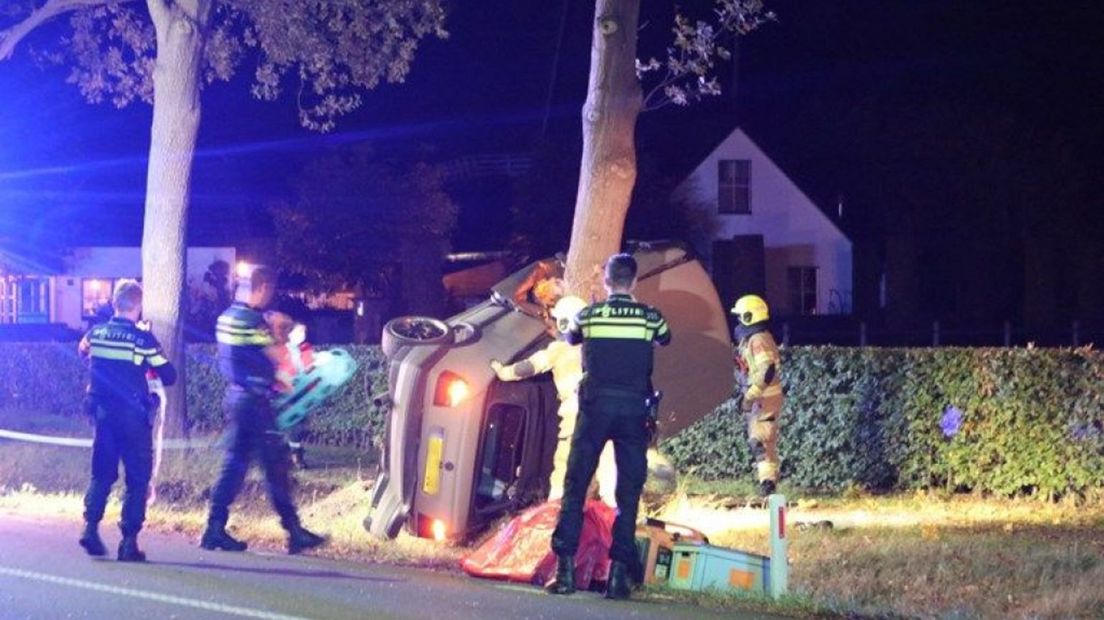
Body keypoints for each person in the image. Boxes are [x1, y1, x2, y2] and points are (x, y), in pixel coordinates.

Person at [546, 253, 671, 600]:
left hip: (595, 408)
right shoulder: (650, 317)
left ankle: (565, 573)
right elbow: (665, 338)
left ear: (606, 281)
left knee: (576, 485)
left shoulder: (589, 315)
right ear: (634, 281)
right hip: (633, 410)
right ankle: (618, 578)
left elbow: (571, 339)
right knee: (628, 493)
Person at [200, 265, 327, 555]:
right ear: (261, 288)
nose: (268, 298)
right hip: (255, 403)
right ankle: (294, 533)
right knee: (275, 467)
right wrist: (285, 332)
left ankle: (214, 528)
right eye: (267, 291)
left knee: (233, 466)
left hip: (236, 397)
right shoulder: (252, 320)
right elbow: (277, 356)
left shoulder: (226, 317)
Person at [78, 280, 177, 562]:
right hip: (133, 419)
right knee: (137, 478)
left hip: (103, 416)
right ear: (137, 306)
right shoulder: (142, 339)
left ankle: (90, 528)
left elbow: (82, 350)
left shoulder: (96, 333)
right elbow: (169, 375)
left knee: (102, 473)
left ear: (114, 304)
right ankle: (129, 542)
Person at [490, 296, 618, 506]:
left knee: (564, 469)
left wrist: (502, 371)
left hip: (577, 418)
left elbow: (528, 368)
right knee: (609, 469)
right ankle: (615, 514)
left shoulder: (558, 350)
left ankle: (554, 510)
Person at [731, 294, 784, 497]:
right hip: (763, 399)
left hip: (764, 399)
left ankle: (768, 485)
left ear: (748, 316)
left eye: (739, 317)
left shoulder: (758, 340)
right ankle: (767, 483)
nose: (737, 322)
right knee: (760, 440)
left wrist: (749, 397)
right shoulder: (756, 338)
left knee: (760, 441)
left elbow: (767, 371)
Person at [268, 312, 314, 469]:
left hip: (301, 393)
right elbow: (276, 370)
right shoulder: (281, 349)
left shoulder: (305, 350)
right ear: (291, 333)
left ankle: (294, 454)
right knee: (290, 424)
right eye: (299, 332)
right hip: (284, 392)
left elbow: (309, 368)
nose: (303, 335)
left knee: (300, 425)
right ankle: (293, 457)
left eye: (304, 332)